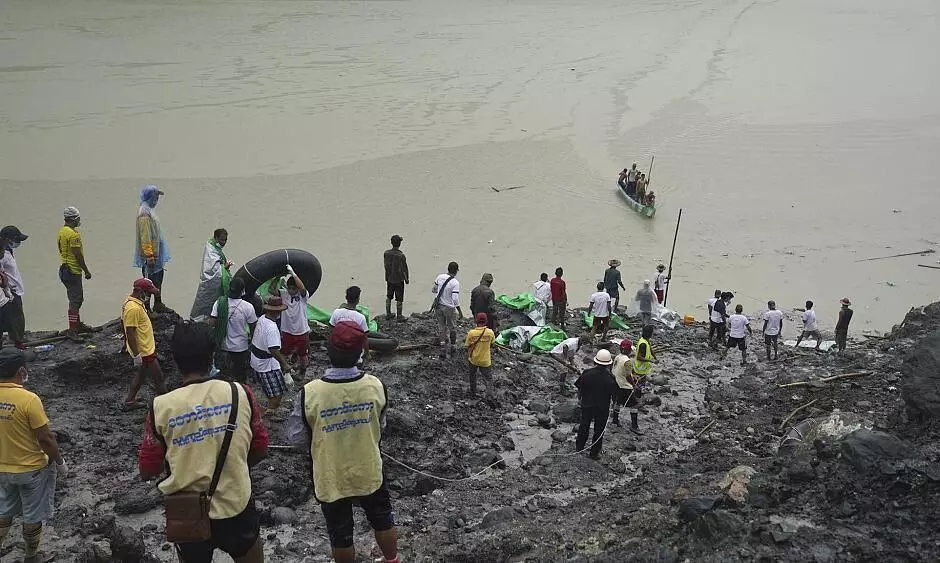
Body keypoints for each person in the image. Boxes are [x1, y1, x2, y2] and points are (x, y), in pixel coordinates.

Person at [138, 322, 268, 563]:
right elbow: (260, 448)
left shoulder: (160, 407)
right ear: (211, 356)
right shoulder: (240, 393)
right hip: (236, 502)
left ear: (175, 360)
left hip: (187, 512)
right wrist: (234, 468)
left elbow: (148, 469)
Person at [287, 321, 399, 563]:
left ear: (328, 352)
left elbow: (296, 438)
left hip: (331, 474)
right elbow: (381, 426)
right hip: (369, 468)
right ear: (361, 353)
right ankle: (392, 559)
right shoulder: (375, 385)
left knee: (340, 534)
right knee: (382, 518)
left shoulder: (310, 393)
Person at [0, 348, 68, 563]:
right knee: (32, 515)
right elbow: (45, 438)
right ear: (21, 371)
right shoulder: (29, 400)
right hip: (31, 470)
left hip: (2, 468)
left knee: (4, 511)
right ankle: (31, 555)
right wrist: (60, 462)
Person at [122, 278, 167, 410]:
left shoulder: (132, 303)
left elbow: (123, 325)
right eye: (148, 293)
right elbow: (130, 332)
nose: (149, 296)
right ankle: (167, 404)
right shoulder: (133, 309)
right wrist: (137, 355)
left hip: (146, 347)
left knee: (141, 375)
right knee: (158, 378)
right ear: (139, 291)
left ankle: (130, 400)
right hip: (145, 351)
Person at [209, 277, 257, 384]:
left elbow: (212, 323)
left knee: (223, 377)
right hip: (241, 348)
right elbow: (253, 326)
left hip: (223, 347)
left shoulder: (220, 302)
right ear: (242, 291)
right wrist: (252, 342)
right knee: (240, 376)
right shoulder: (248, 307)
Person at [134, 185, 172, 313]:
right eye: (156, 197)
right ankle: (147, 307)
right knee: (149, 281)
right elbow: (145, 235)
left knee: (158, 277)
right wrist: (149, 255)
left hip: (157, 254)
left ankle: (158, 303)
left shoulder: (149, 210)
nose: (157, 200)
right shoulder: (144, 213)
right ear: (150, 197)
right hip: (151, 256)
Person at [575, 350, 619, 459]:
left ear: (595, 361)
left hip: (587, 404)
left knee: (584, 426)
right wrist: (614, 405)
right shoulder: (610, 378)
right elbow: (615, 394)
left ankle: (579, 447)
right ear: (608, 364)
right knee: (599, 430)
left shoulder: (587, 373)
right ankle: (594, 453)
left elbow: (580, 388)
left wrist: (579, 399)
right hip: (602, 408)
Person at [250, 296, 289, 415]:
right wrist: (285, 364)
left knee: (268, 388)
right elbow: (273, 349)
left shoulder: (262, 318)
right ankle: (270, 412)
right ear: (278, 311)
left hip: (256, 359)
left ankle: (269, 407)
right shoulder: (272, 327)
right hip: (266, 364)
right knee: (277, 393)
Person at [57, 207, 93, 335]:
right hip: (72, 271)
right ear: (73, 219)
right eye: (78, 218)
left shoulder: (62, 231)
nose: (79, 220)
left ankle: (76, 324)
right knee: (76, 300)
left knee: (74, 298)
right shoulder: (73, 235)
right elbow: (78, 255)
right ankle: (73, 329)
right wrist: (86, 271)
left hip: (64, 269)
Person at [274, 266, 311, 377]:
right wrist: (278, 277)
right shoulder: (284, 294)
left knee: (303, 355)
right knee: (284, 353)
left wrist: (293, 273)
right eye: (289, 288)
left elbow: (302, 289)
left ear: (297, 289)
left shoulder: (303, 296)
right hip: (287, 331)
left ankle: (302, 372)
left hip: (301, 331)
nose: (291, 290)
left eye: (293, 288)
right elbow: (271, 290)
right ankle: (283, 370)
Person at [190, 229, 233, 320]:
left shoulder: (216, 248)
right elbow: (211, 269)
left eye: (225, 240)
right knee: (206, 303)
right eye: (222, 240)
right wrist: (225, 267)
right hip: (209, 282)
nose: (224, 242)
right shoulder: (210, 248)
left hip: (215, 282)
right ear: (216, 238)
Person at [0, 226, 28, 350]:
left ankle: (17, 339)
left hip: (16, 290)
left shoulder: (8, 252)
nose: (18, 243)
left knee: (17, 316)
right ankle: (18, 342)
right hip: (10, 291)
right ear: (7, 240)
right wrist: (8, 289)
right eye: (16, 240)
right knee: (15, 318)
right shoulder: (2, 255)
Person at [630, 324, 657, 434]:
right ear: (649, 333)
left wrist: (655, 356)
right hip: (639, 370)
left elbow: (650, 348)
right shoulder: (642, 344)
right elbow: (639, 357)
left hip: (643, 370)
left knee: (640, 387)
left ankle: (638, 402)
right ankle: (635, 404)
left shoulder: (646, 341)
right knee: (637, 388)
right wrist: (650, 360)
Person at [432, 262, 463, 357]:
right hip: (449, 307)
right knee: (452, 327)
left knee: (441, 326)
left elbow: (434, 290)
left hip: (439, 306)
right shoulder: (455, 283)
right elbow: (455, 299)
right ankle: (453, 346)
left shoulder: (439, 277)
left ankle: (442, 345)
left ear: (448, 269)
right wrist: (459, 311)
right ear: (456, 271)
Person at [465, 313, 496, 396]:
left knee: (472, 375)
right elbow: (492, 344)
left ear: (476, 321)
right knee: (488, 378)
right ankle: (489, 395)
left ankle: (473, 392)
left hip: (473, 359)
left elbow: (467, 345)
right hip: (485, 361)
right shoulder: (490, 332)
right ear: (486, 321)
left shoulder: (471, 333)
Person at [383, 235, 409, 321]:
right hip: (399, 280)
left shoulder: (386, 253)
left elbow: (386, 266)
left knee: (389, 296)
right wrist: (406, 279)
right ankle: (399, 316)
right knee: (399, 298)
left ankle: (388, 314)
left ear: (391, 243)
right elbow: (404, 269)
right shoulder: (401, 255)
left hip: (389, 278)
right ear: (399, 244)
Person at [610, 339, 633, 427]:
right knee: (634, 405)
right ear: (630, 350)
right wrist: (634, 385)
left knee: (617, 402)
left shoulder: (617, 357)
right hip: (624, 386)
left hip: (615, 383)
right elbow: (628, 376)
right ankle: (634, 426)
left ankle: (615, 419)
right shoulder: (627, 361)